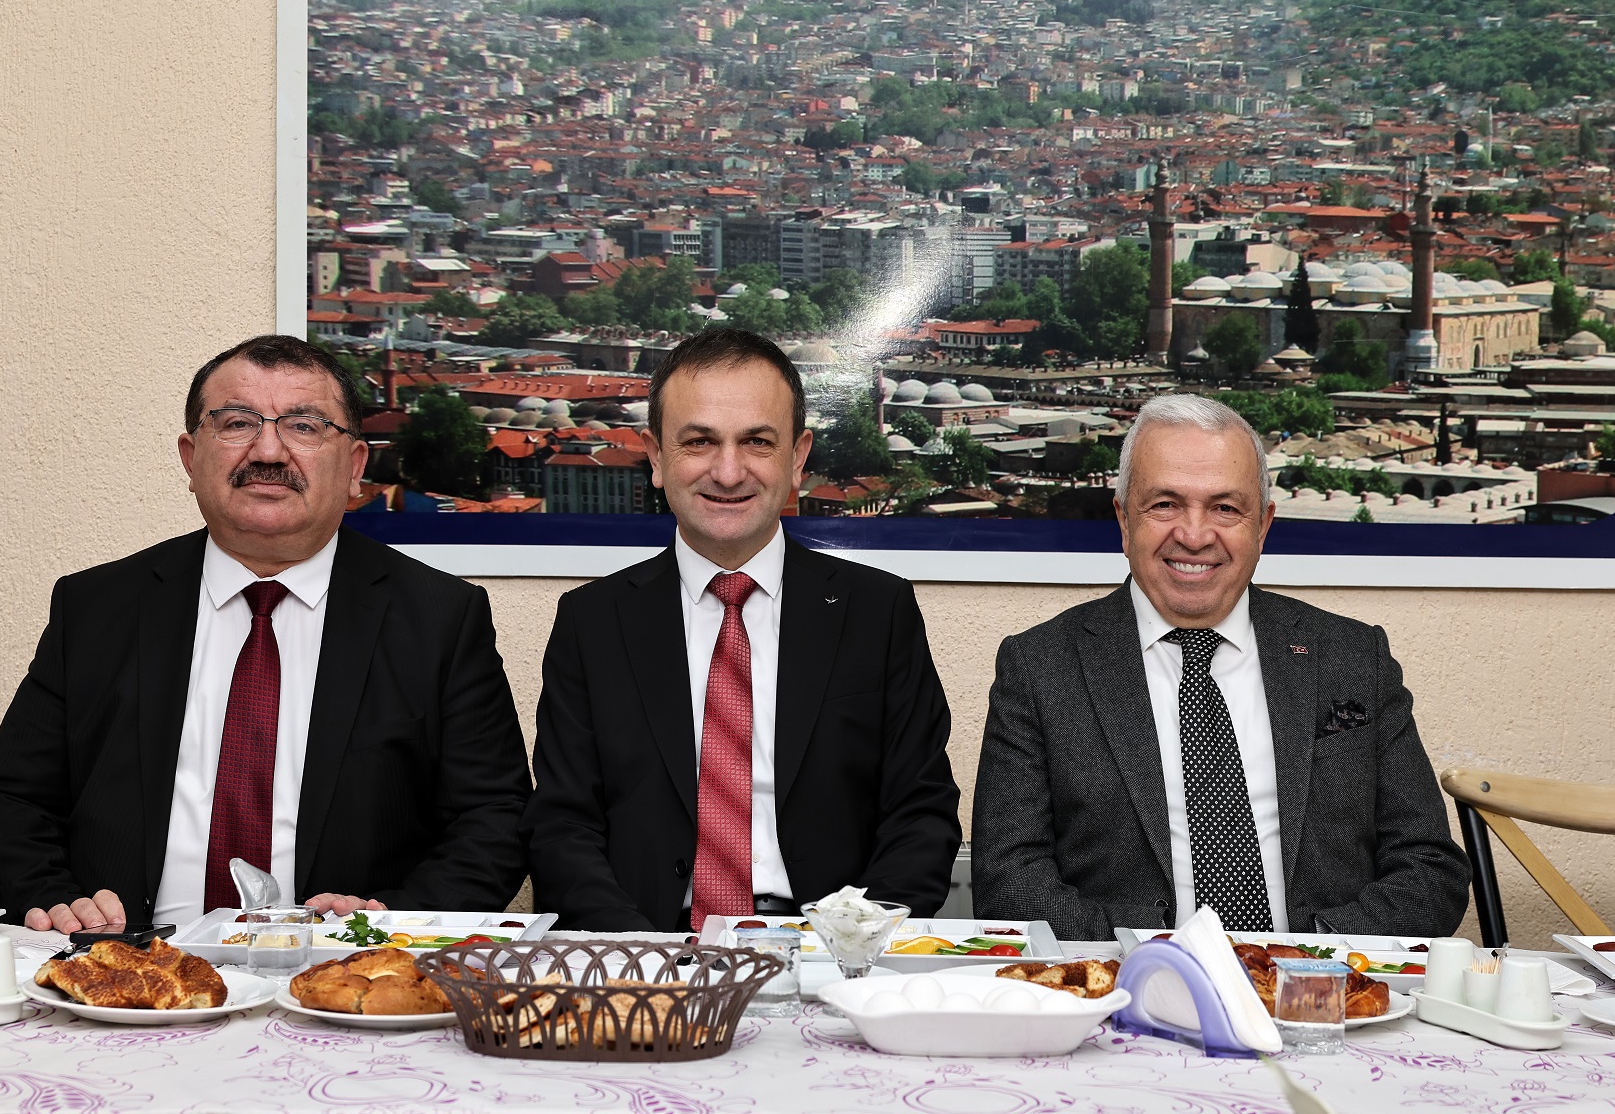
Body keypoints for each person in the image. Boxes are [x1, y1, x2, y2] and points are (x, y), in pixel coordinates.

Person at [0, 335, 531, 932]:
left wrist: (388, 923)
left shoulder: (440, 618)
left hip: (343, 966)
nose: (268, 451)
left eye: (304, 427)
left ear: (355, 466)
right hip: (125, 965)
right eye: (236, 423)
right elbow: (9, 801)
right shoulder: (97, 606)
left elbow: (493, 816)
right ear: (190, 458)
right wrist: (53, 900)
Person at [971, 393, 1468, 940]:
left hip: (1318, 977)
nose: (1194, 535)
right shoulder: (1040, 666)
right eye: (1165, 504)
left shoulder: (1352, 657)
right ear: (1123, 519)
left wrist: (1301, 959)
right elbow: (1008, 883)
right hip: (1129, 982)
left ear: (1263, 526)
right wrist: (1154, 960)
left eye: (1226, 508)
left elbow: (1429, 870)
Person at [524, 328, 962, 932]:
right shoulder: (591, 621)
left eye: (757, 441)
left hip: (830, 948)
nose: (728, 472)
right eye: (699, 441)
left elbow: (921, 813)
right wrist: (644, 954)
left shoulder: (877, 611)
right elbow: (562, 826)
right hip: (645, 948)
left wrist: (851, 944)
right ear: (656, 457)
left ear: (797, 458)